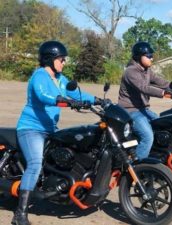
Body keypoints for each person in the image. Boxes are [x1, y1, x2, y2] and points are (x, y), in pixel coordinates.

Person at [13, 40, 102, 225]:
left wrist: (97, 100)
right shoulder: (39, 76)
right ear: (50, 59)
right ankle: (20, 214)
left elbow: (77, 94)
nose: (64, 62)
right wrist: (62, 100)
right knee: (36, 163)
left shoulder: (60, 79)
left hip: (50, 129)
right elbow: (42, 95)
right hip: (31, 128)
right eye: (61, 59)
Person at [118, 41, 172, 160]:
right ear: (138, 56)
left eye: (152, 55)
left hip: (143, 109)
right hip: (130, 111)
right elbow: (144, 88)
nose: (152, 58)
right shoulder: (131, 71)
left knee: (162, 126)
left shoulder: (146, 71)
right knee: (148, 137)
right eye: (148, 56)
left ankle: (156, 157)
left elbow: (162, 83)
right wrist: (166, 94)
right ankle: (138, 168)